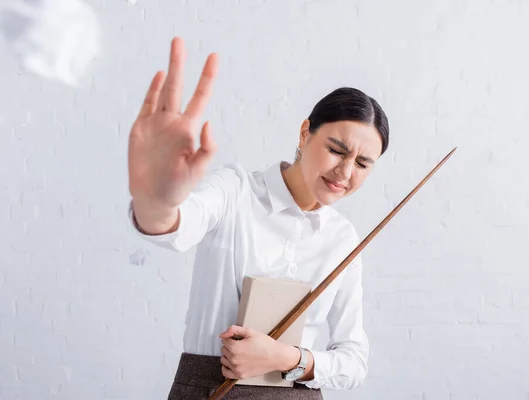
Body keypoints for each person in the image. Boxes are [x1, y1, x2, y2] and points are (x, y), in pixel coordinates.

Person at [127, 37, 390, 400]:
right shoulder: (235, 190)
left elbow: (354, 360)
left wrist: (288, 358)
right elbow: (174, 225)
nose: (345, 171)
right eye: (336, 150)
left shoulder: (343, 238)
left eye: (363, 164)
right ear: (304, 132)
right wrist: (157, 198)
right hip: (208, 389)